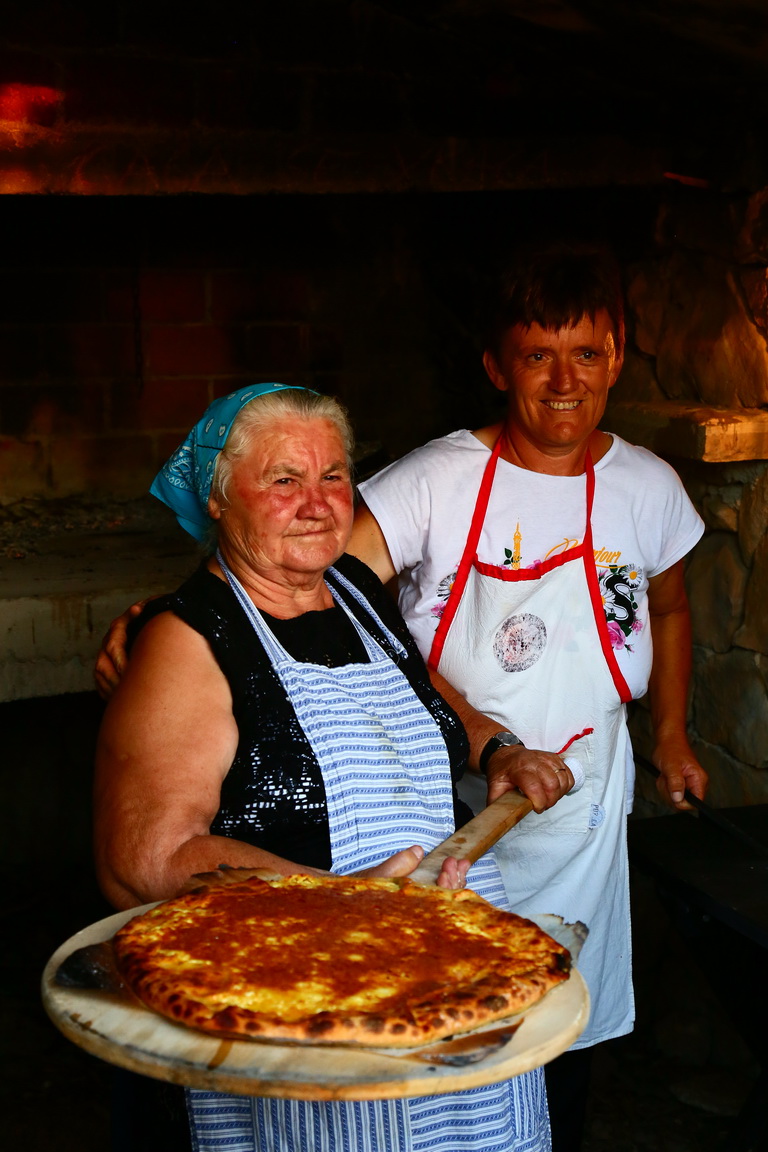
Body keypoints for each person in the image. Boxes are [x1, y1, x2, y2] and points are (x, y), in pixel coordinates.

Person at [94, 381, 563, 1152]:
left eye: (334, 475)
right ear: (217, 498)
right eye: (284, 479)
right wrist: (339, 904)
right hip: (304, 1005)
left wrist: (493, 745)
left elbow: (418, 684)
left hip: (447, 975)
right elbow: (142, 862)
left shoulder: (349, 586)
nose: (316, 504)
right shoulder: (187, 642)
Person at [351, 244, 709, 1150]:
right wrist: (178, 620)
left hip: (585, 804)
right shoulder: (436, 479)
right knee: (448, 1021)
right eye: (538, 355)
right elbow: (332, 593)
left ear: (615, 358)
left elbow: (669, 607)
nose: (564, 380)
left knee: (560, 1017)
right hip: (442, 797)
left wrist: (670, 734)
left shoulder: (647, 486)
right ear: (496, 365)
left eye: (586, 354)